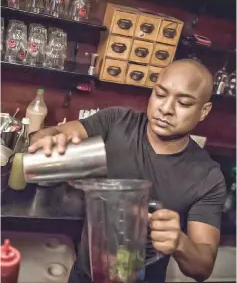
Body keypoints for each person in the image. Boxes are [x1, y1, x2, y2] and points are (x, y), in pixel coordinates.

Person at [29, 59, 226, 283]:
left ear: (203, 111)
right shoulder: (116, 122)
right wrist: (47, 139)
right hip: (84, 275)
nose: (166, 109)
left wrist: (181, 243)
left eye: (183, 103)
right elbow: (51, 132)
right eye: (160, 94)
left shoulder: (208, 177)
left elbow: (203, 267)